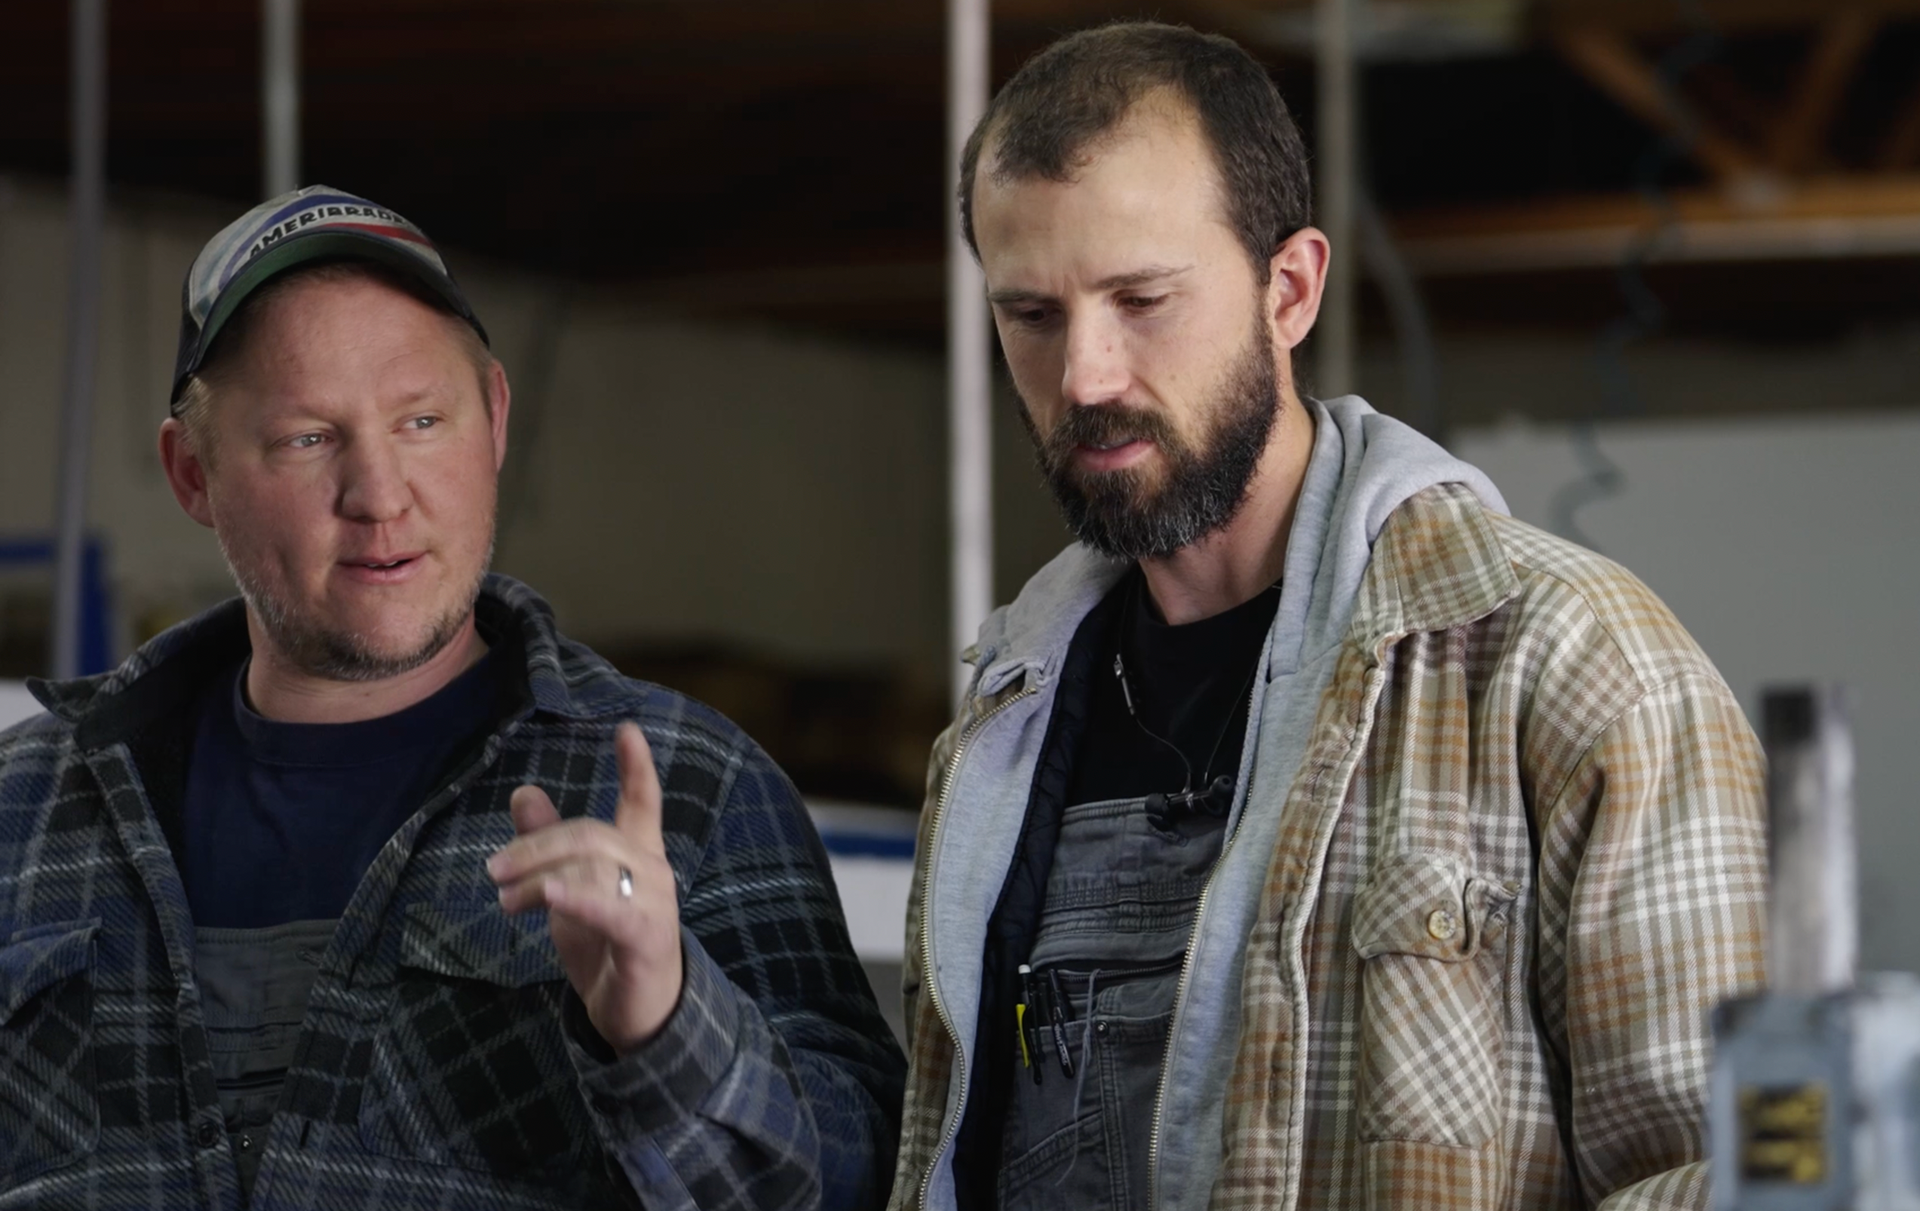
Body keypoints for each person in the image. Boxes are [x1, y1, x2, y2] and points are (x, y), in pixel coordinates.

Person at [887, 22, 1767, 1211]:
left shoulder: (1574, 667)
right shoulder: (1003, 730)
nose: (1085, 376)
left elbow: (1746, 1174)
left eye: (1142, 299)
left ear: (1290, 290)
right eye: (1033, 315)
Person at [0, 186, 903, 1210]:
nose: (380, 494)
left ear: (497, 419)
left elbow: (863, 1179)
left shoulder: (691, 786)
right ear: (192, 473)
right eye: (307, 438)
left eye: (422, 420)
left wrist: (670, 1022)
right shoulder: (27, 809)